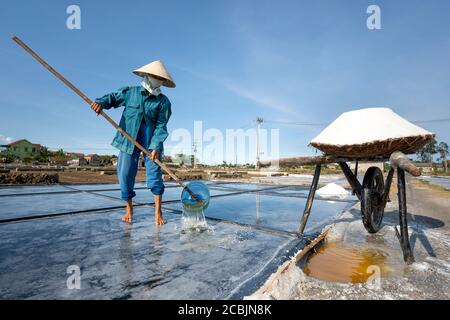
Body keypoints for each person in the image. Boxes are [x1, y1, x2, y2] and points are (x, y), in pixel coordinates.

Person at [90, 60, 175, 225]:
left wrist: (156, 146)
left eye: (160, 78)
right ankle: (129, 208)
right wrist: (100, 103)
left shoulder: (163, 102)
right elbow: (113, 98)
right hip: (129, 139)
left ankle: (158, 212)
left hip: (151, 142)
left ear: (163, 81)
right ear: (146, 75)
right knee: (125, 174)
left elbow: (161, 126)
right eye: (154, 76)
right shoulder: (131, 92)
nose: (157, 79)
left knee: (155, 176)